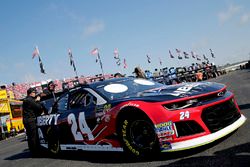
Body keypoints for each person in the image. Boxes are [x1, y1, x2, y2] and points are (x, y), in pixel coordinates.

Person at [22, 88, 44, 156]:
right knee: (34, 136)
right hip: (30, 120)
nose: (35, 93)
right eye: (34, 92)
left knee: (30, 136)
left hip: (27, 120)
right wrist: (37, 101)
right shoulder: (30, 100)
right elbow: (38, 107)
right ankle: (35, 152)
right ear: (31, 93)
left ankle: (32, 151)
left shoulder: (26, 99)